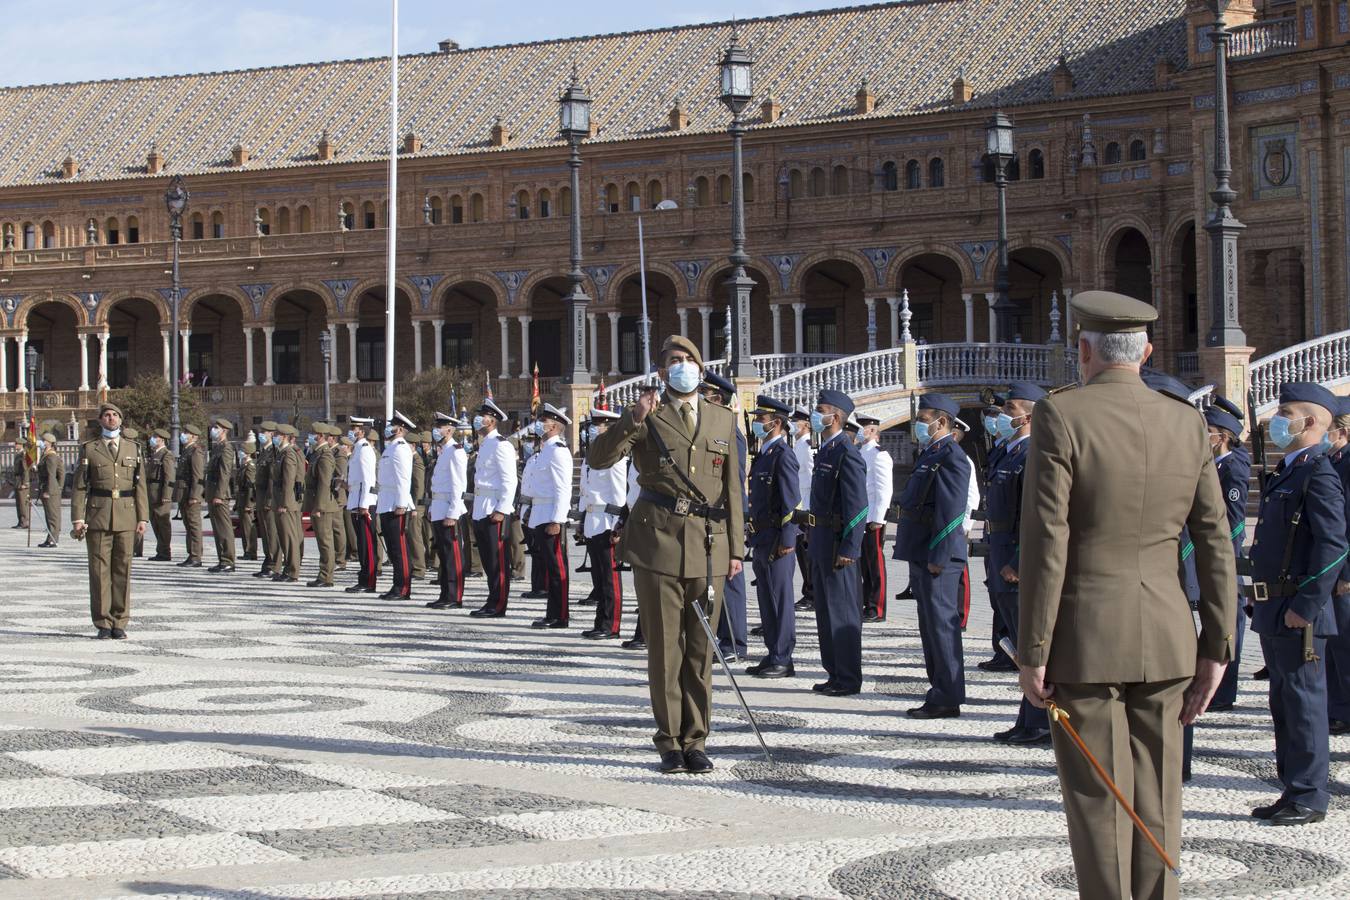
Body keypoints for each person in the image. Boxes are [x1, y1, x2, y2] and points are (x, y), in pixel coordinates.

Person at [1018, 291, 1236, 897]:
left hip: (1085, 637)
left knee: (1097, 801)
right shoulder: (1187, 421)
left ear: (1083, 350)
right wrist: (1217, 645)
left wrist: (1033, 649)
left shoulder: (1063, 416)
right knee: (1159, 794)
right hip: (1167, 635)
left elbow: (1047, 541)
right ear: (1147, 351)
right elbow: (1215, 542)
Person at [588, 334, 745, 774]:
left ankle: (696, 739)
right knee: (664, 651)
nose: (682, 366)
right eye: (673, 361)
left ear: (700, 368)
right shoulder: (644, 416)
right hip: (657, 542)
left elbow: (734, 487)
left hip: (710, 546)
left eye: (688, 360)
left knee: (700, 651)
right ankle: (670, 741)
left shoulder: (722, 418)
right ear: (661, 373)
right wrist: (631, 422)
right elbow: (598, 459)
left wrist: (737, 547)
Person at [1247, 382, 1346, 826]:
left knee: (1305, 704)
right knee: (1284, 703)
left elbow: (1334, 546)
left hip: (1298, 612)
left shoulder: (1317, 472)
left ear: (1309, 422)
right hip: (1275, 607)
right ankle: (1293, 788)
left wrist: (1307, 604)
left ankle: (1309, 795)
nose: (1277, 421)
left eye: (1286, 412)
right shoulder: (1290, 469)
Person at [894, 392, 972, 719]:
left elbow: (952, 512)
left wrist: (939, 554)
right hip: (922, 551)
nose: (918, 424)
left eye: (923, 419)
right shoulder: (930, 453)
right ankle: (939, 690)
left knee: (942, 626)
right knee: (930, 626)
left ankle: (948, 695)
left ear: (942, 422)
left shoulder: (951, 456)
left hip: (937, 555)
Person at [985, 382, 1051, 745]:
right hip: (1000, 554)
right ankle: (1028, 717)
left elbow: (1039, 517)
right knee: (1016, 642)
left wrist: (1020, 560)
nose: (1002, 416)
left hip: (1016, 561)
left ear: (1028, 416)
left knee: (1030, 643)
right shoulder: (1009, 453)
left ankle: (1041, 722)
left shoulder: (1032, 455)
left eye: (1009, 409)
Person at [806, 389, 868, 697]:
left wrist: (850, 548)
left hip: (836, 545)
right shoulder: (828, 449)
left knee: (842, 612)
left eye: (821, 410)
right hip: (820, 542)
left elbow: (858, 507)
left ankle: (848, 677)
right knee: (826, 611)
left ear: (837, 417)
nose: (815, 415)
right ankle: (834, 673)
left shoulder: (846, 451)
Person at [70, 402, 148, 639]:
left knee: (123, 569)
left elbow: (140, 485)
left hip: (126, 515)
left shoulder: (133, 448)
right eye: (107, 415)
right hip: (98, 514)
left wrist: (143, 517)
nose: (111, 418)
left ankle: (120, 621)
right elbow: (80, 486)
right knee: (99, 570)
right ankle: (103, 622)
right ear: (101, 420)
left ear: (121, 420)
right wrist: (77, 518)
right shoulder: (90, 448)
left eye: (114, 415)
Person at [746, 395, 800, 678]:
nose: (756, 423)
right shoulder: (765, 453)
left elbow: (791, 501)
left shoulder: (783, 455)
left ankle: (783, 657)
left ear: (776, 423)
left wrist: (788, 540)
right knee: (766, 598)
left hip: (777, 539)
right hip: (762, 537)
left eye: (761, 419)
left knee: (780, 600)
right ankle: (772, 652)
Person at [1204, 397, 1252, 713]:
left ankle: (1225, 690)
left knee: (1229, 622)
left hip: (1226, 556)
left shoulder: (1232, 468)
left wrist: (1221, 553)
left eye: (1207, 431)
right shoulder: (1214, 464)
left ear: (1221, 436)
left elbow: (1234, 521)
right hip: (1216, 554)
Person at [703, 371, 750, 663]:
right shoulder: (716, 429)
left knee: (730, 580)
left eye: (706, 394)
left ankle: (735, 642)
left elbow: (732, 481)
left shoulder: (731, 432)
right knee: (714, 581)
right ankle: (721, 636)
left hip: (727, 515)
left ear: (718, 399)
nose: (702, 399)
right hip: (711, 516)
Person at [522, 403, 574, 628]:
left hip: (550, 516)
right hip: (540, 514)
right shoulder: (546, 450)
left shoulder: (559, 451)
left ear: (554, 425)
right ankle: (552, 612)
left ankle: (560, 615)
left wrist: (557, 520)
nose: (540, 424)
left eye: (543, 421)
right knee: (548, 568)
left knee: (556, 569)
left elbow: (563, 488)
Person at [580, 408, 628, 638]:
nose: (592, 428)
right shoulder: (592, 457)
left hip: (607, 522)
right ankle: (600, 621)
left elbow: (619, 495)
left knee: (610, 578)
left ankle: (612, 625)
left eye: (598, 424)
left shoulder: (615, 458)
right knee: (599, 577)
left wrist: (618, 526)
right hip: (592, 520)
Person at [469, 399, 518, 618]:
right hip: (481, 507)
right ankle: (491, 600)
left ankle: (498, 605)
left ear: (492, 420)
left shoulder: (501, 445)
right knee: (489, 561)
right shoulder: (485, 443)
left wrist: (502, 509)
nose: (478, 419)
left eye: (483, 415)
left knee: (498, 562)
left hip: (494, 509)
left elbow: (510, 481)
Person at [427, 414, 469, 609]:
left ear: (450, 430)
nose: (437, 430)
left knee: (452, 555)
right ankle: (445, 593)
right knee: (443, 555)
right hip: (439, 507)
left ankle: (454, 596)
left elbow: (458, 484)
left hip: (448, 510)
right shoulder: (444, 452)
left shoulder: (456, 451)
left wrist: (453, 512)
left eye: (441, 426)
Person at [376, 411, 417, 600]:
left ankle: (403, 588)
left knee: (399, 549)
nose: (388, 427)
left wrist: (401, 503)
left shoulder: (400, 448)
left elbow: (404, 479)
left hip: (395, 503)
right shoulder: (391, 447)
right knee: (393, 548)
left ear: (400, 429)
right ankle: (397, 584)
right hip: (386, 501)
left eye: (392, 425)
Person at [856, 413, 892, 623]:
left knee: (875, 564)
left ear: (872, 431)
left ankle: (877, 607)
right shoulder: (861, 452)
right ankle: (866, 602)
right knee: (865, 565)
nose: (860, 431)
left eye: (863, 428)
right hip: (862, 516)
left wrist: (879, 517)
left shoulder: (879, 455)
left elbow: (884, 490)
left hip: (873, 517)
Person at [345, 417, 380, 594]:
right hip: (356, 500)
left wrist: (364, 504)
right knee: (362, 543)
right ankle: (363, 578)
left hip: (363, 502)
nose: (352, 431)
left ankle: (369, 581)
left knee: (367, 544)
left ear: (363, 431)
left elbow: (368, 479)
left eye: (356, 428)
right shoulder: (358, 448)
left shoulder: (365, 449)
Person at [304, 424, 342, 588]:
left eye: (313, 434)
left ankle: (326, 576)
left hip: (323, 505)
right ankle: (324, 574)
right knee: (322, 541)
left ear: (320, 435)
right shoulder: (317, 454)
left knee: (326, 542)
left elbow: (325, 483)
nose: (310, 436)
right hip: (318, 502)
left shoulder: (325, 456)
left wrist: (318, 507)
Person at [790, 407, 816, 613]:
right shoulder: (798, 444)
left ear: (806, 425)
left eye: (796, 421)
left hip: (806, 505)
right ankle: (808, 590)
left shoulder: (807, 446)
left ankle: (812, 593)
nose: (792, 425)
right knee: (801, 552)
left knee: (806, 553)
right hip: (799, 504)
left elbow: (811, 478)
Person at [272, 424, 304, 583]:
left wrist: (284, 502)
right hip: (280, 500)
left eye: (277, 434)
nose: (274, 436)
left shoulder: (289, 454)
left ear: (284, 436)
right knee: (284, 537)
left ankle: (292, 571)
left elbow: (289, 481)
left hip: (286, 502)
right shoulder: (281, 453)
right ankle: (288, 569)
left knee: (289, 537)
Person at [205, 418, 237, 573]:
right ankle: (222, 559)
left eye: (216, 428)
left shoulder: (226, 448)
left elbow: (225, 474)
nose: (213, 430)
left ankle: (228, 560)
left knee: (224, 528)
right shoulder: (217, 448)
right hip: (212, 492)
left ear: (224, 430)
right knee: (217, 528)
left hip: (220, 494)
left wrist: (219, 493)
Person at [144, 428, 176, 560]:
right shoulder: (155, 454)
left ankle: (165, 551)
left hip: (160, 494)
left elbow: (169, 477)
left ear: (161, 440)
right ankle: (161, 550)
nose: (152, 439)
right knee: (155, 522)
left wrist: (167, 495)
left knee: (163, 523)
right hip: (151, 494)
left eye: (155, 437)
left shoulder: (166, 454)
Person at [176, 424, 204, 567]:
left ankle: (196, 556)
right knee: (188, 524)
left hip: (190, 495)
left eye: (186, 433)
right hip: (184, 493)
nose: (183, 434)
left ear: (194, 437)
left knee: (193, 525)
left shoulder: (195, 451)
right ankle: (191, 554)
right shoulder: (186, 451)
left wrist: (195, 495)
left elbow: (197, 475)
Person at [253, 421, 279, 578]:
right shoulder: (264, 451)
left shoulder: (273, 452)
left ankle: (274, 564)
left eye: (265, 432)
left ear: (272, 434)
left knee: (271, 532)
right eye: (261, 431)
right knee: (264, 531)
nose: (261, 434)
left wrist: (270, 500)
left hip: (268, 497)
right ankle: (268, 561)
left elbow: (272, 479)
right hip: (261, 497)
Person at [37, 431, 63, 547]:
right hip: (49, 488)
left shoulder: (51, 456)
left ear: (49, 443)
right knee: (49, 515)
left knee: (53, 516)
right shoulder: (46, 455)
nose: (42, 443)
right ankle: (50, 537)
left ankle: (53, 539)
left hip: (50, 490)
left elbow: (51, 475)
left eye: (44, 441)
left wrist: (49, 491)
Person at [236, 436, 258, 561]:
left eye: (242, 450)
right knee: (244, 528)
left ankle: (251, 551)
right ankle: (247, 550)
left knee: (249, 527)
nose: (240, 452)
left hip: (247, 501)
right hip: (242, 500)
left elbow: (250, 486)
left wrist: (250, 503)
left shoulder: (250, 467)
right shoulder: (243, 466)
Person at [9, 438, 31, 529]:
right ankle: (20, 521)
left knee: (22, 503)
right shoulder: (18, 454)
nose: (15, 445)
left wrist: (25, 483)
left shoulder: (23, 455)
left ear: (21, 445)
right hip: (17, 481)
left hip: (22, 482)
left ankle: (24, 522)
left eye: (17, 444)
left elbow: (25, 470)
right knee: (19, 503)